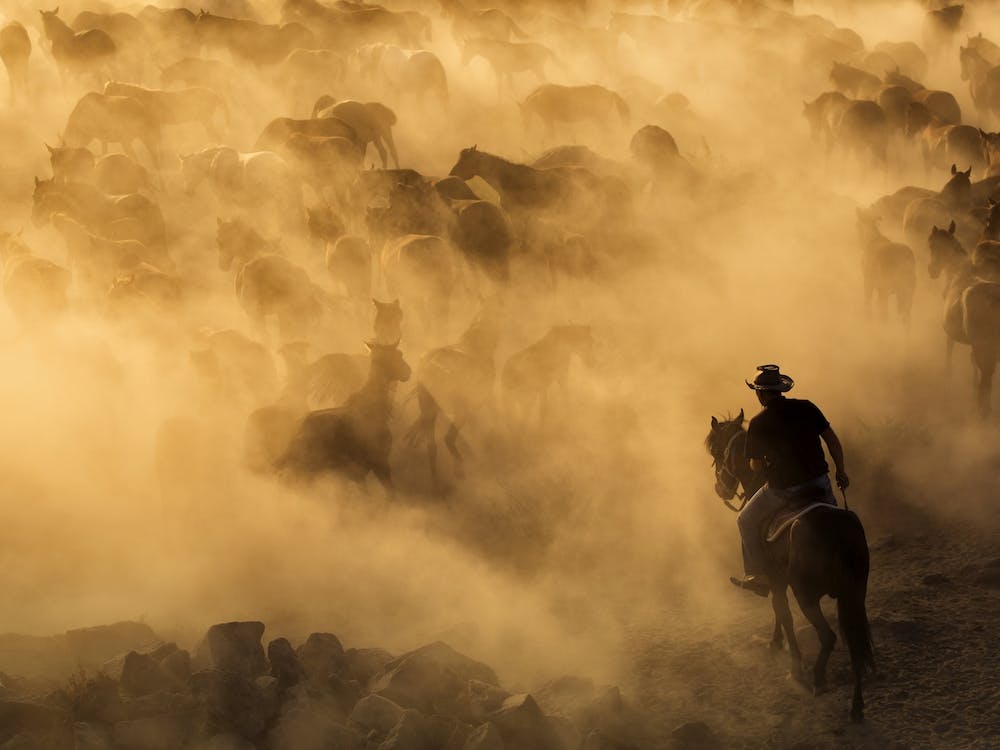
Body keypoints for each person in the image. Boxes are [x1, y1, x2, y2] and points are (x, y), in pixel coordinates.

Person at [731, 364, 849, 596]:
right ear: (780, 389)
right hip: (819, 483)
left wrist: (766, 466)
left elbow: (755, 465)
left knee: (744, 520)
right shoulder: (807, 407)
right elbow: (832, 442)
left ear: (761, 393)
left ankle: (759, 575)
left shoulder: (758, 423)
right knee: (839, 523)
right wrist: (841, 472)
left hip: (783, 490)